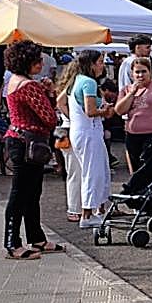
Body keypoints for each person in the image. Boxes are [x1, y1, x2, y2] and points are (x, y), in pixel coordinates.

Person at [1, 40, 60, 260]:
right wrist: (50, 93)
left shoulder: (13, 82)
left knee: (30, 193)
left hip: (18, 140)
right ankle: (12, 243)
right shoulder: (29, 86)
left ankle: (37, 238)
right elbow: (50, 118)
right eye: (37, 60)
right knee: (22, 194)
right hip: (29, 143)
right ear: (28, 62)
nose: (41, 62)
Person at [66, 51, 114, 229]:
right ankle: (87, 214)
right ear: (91, 64)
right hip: (88, 132)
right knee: (93, 173)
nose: (103, 65)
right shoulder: (88, 82)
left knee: (98, 170)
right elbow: (91, 111)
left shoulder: (77, 80)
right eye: (100, 62)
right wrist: (106, 110)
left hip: (82, 131)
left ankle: (97, 210)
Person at [53, 61, 81, 221]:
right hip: (70, 131)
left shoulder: (69, 85)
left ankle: (76, 207)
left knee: (74, 170)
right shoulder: (73, 85)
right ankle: (74, 208)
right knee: (74, 171)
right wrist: (74, 118)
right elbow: (60, 102)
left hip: (67, 130)